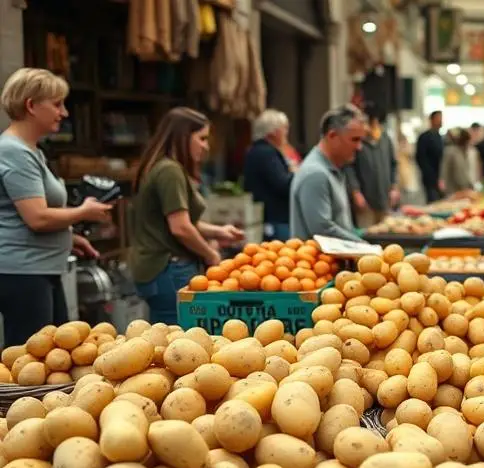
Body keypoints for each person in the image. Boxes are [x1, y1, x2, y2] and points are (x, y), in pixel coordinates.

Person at [0, 68, 112, 346]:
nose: (64, 113)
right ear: (31, 106)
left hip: (40, 269)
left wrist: (68, 238)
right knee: (34, 358)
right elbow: (37, 217)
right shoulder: (14, 152)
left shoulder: (32, 152)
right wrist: (84, 211)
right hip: (24, 272)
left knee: (57, 353)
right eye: (57, 104)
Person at [130, 107, 244, 324]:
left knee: (164, 334)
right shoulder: (169, 171)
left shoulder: (161, 167)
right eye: (202, 138)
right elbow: (180, 227)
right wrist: (211, 255)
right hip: (169, 269)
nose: (206, 146)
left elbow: (180, 221)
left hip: (158, 269)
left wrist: (219, 231)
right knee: (178, 337)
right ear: (182, 136)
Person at [290, 105, 364, 242]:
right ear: (332, 136)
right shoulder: (315, 174)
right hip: (320, 257)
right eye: (355, 139)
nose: (359, 147)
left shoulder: (333, 169)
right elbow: (322, 231)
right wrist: (364, 246)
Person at [243, 109, 295, 241]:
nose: (286, 133)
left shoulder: (257, 150)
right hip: (275, 219)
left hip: (269, 218)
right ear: (273, 132)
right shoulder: (266, 153)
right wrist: (297, 174)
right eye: (284, 128)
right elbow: (283, 184)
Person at [344, 112, 399, 229]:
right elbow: (349, 167)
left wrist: (394, 187)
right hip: (365, 198)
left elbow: (393, 164)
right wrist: (355, 192)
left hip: (385, 197)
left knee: (386, 230)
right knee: (367, 232)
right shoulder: (358, 141)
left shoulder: (385, 138)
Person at [415, 110, 444, 203]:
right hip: (430, 179)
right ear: (432, 120)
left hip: (440, 177)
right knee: (433, 201)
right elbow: (420, 157)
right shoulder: (424, 137)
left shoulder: (440, 137)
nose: (440, 121)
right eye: (438, 118)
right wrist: (429, 174)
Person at [440, 128, 474, 195]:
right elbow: (458, 174)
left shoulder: (462, 152)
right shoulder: (452, 152)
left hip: (461, 190)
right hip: (454, 190)